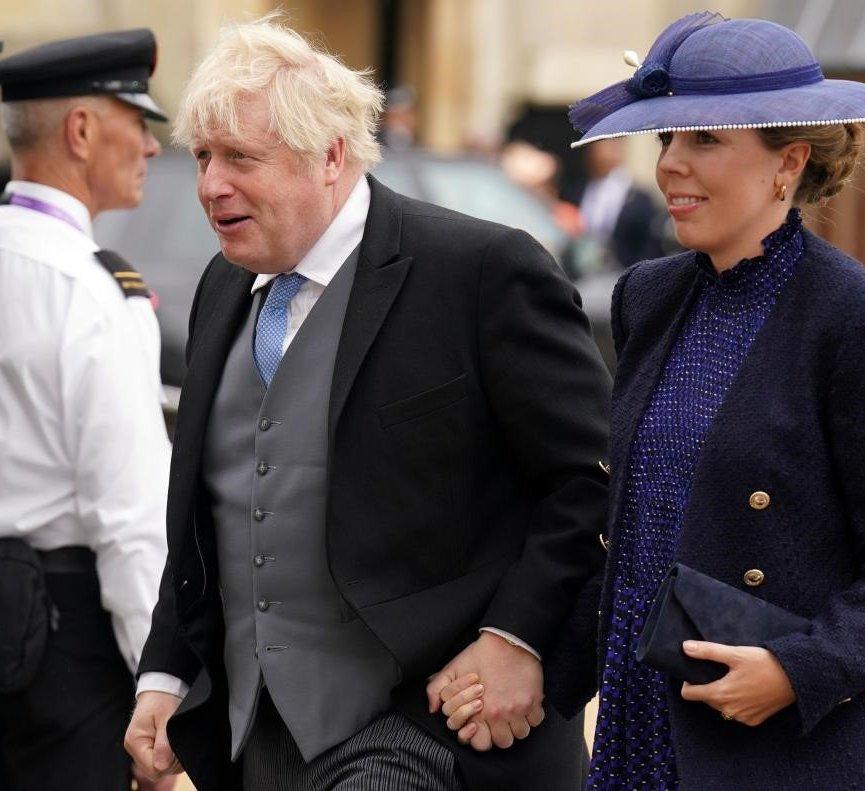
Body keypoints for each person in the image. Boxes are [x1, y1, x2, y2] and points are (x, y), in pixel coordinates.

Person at [124, 17, 610, 791]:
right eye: (205, 157)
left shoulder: (480, 271)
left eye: (242, 158)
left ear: (331, 156)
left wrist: (516, 634)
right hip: (258, 738)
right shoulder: (222, 288)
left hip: (428, 725)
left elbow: (587, 482)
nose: (212, 184)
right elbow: (210, 514)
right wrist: (165, 675)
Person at [567, 12, 865, 790]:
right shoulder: (648, 296)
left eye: (704, 140)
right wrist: (526, 666)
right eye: (665, 141)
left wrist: (796, 668)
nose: (671, 166)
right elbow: (636, 527)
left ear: (788, 163)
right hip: (646, 716)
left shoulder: (863, 321)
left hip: (806, 745)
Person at [0, 29, 173, 791]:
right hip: (60, 649)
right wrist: (162, 695)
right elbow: (130, 521)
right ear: (80, 131)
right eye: (138, 123)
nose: (152, 147)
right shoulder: (92, 291)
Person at [564, 138, 669, 268]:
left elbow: (649, 243)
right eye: (597, 146)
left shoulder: (638, 197)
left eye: (610, 144)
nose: (603, 151)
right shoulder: (578, 192)